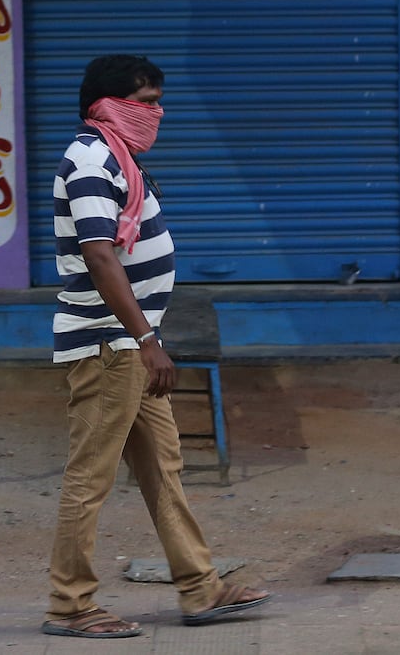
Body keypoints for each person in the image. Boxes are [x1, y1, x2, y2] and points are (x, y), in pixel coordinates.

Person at [42, 54, 270, 640]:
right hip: (108, 346)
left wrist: (145, 339)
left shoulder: (121, 162)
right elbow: (99, 256)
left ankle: (201, 587)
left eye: (158, 100)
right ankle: (69, 606)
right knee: (89, 476)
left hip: (129, 345)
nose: (155, 112)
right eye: (145, 100)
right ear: (108, 105)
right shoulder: (90, 161)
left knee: (164, 469)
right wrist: (146, 339)